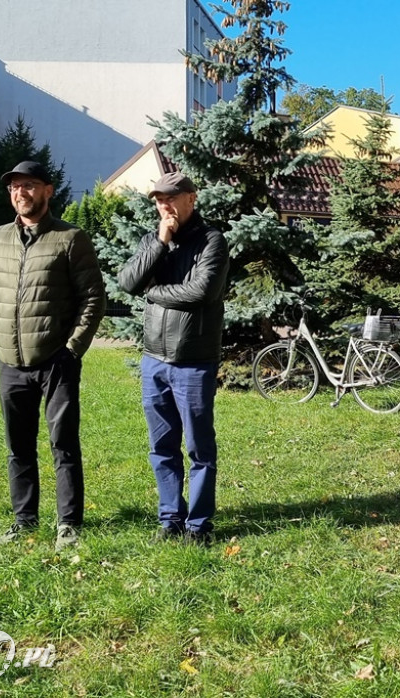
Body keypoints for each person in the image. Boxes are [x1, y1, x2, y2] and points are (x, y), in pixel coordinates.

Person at [0, 160, 106, 551]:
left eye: (29, 186)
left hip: (55, 362)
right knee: (18, 446)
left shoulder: (70, 238)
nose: (20, 193)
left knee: (63, 444)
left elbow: (93, 299)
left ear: (47, 190)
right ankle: (24, 521)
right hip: (11, 362)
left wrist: (72, 350)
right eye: (14, 187)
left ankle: (68, 524)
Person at [118, 172, 229, 545]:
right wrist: (160, 243)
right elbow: (128, 282)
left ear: (190, 199)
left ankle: (198, 526)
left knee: (199, 448)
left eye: (170, 198)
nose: (163, 205)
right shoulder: (155, 240)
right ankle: (170, 519)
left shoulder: (211, 240)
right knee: (162, 447)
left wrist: (155, 292)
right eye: (157, 199)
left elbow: (202, 291)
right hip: (154, 362)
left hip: (193, 361)